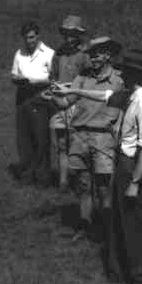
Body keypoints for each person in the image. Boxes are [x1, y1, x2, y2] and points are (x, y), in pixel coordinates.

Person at [54, 48, 142, 284]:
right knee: (122, 221)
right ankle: (125, 272)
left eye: (126, 72)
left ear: (135, 74)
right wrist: (72, 90)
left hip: (132, 167)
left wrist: (135, 182)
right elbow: (102, 96)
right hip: (123, 164)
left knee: (136, 224)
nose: (121, 75)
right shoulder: (130, 95)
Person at [55, 36, 123, 241]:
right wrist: (54, 97)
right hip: (79, 137)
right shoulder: (82, 77)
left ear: (108, 55)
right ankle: (84, 226)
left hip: (103, 140)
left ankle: (108, 231)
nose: (92, 58)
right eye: (90, 54)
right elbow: (66, 102)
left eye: (96, 54)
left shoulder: (118, 80)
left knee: (104, 189)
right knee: (83, 186)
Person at [8, 21, 55, 187]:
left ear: (38, 36)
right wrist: (17, 79)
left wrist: (37, 82)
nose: (29, 41)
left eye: (32, 37)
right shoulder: (19, 53)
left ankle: (43, 177)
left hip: (40, 97)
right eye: (26, 38)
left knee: (41, 138)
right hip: (22, 97)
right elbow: (14, 74)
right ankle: (27, 174)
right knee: (23, 138)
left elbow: (53, 79)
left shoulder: (49, 53)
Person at [48, 15, 90, 192]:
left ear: (79, 35)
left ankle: (80, 180)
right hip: (59, 100)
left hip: (77, 102)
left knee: (78, 142)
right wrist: (53, 85)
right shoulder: (58, 54)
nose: (68, 37)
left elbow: (88, 80)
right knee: (61, 143)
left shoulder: (84, 55)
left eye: (72, 34)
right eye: (66, 33)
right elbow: (52, 75)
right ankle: (63, 181)